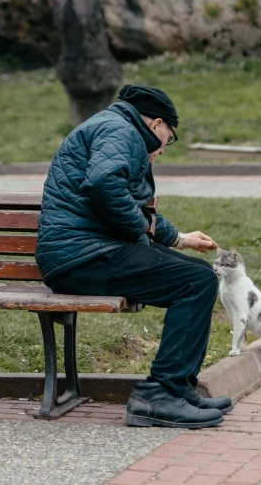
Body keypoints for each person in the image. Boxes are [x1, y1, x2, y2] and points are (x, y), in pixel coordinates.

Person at [36, 83, 232, 428]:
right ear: (156, 124)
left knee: (198, 276)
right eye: (169, 137)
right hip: (85, 256)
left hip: (86, 251)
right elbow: (102, 186)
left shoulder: (114, 126)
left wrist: (180, 239)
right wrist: (145, 229)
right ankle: (158, 395)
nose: (164, 149)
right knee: (197, 281)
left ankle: (180, 387)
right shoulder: (120, 130)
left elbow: (130, 207)